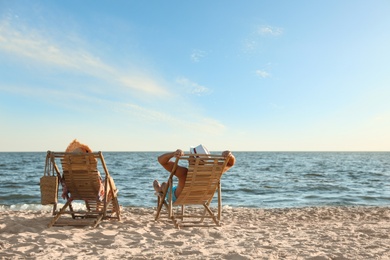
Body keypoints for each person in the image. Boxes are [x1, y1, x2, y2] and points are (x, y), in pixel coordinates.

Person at [153, 144, 236, 202]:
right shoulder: (212, 172)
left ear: (191, 159)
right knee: (171, 186)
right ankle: (161, 187)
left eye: (190, 155)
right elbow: (230, 163)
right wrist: (230, 156)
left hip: (179, 198)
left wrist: (173, 154)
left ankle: (159, 189)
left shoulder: (184, 173)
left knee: (165, 185)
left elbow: (161, 160)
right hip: (202, 199)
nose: (189, 156)